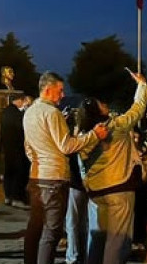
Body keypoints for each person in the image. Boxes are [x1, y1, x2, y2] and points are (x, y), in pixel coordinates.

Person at [22, 72, 108, 264]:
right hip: (54, 179)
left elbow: (28, 147)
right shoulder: (52, 113)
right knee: (51, 232)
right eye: (60, 90)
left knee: (35, 228)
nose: (62, 95)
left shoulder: (29, 112)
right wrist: (94, 135)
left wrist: (40, 161)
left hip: (36, 177)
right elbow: (66, 146)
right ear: (48, 89)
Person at [76, 71, 147, 264]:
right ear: (98, 111)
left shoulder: (83, 134)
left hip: (96, 191)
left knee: (98, 239)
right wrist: (141, 85)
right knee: (117, 241)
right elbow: (138, 108)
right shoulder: (116, 126)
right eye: (101, 104)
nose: (105, 104)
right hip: (119, 188)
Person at [65, 108, 89, 264]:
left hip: (75, 184)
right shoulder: (90, 137)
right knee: (83, 222)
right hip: (88, 185)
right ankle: (83, 254)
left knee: (72, 221)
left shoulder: (75, 140)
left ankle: (72, 255)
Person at [1, 95, 31, 207]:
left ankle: (8, 196)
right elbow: (23, 126)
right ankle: (17, 198)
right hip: (18, 147)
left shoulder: (6, 111)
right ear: (20, 100)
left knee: (9, 172)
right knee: (19, 172)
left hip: (8, 147)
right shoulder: (16, 114)